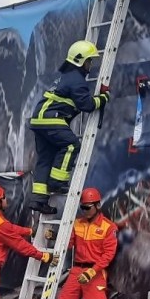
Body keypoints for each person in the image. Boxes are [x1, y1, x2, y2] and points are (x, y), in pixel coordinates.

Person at [28, 40, 110, 214]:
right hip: (52, 119)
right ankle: (57, 182)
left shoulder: (65, 78)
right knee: (72, 145)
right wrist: (103, 98)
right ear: (80, 61)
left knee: (45, 158)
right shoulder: (77, 80)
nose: (90, 65)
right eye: (89, 61)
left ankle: (39, 200)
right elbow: (87, 105)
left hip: (39, 120)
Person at [45, 187, 118, 299]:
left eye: (88, 207)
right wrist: (54, 236)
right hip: (77, 271)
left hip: (95, 273)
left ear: (98, 205)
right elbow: (68, 243)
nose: (84, 211)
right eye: (82, 208)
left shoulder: (108, 227)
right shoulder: (78, 224)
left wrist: (92, 272)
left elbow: (108, 255)